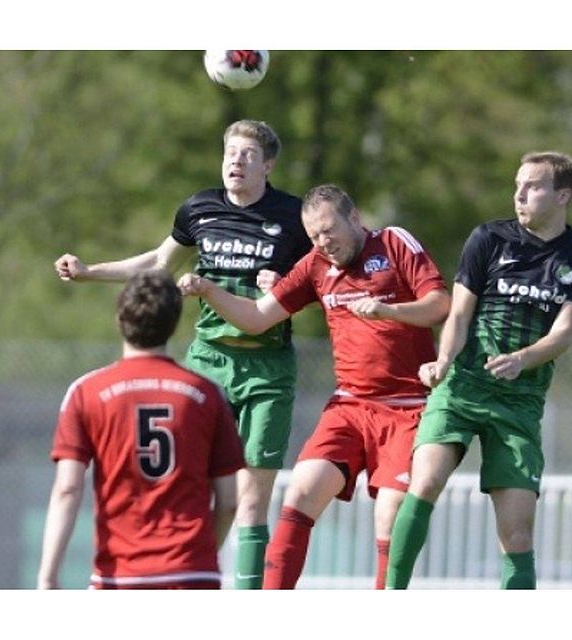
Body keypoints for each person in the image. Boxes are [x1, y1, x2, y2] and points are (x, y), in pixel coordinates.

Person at [53, 120, 312, 588]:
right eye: (230, 152)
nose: (236, 160)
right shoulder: (200, 208)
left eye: (248, 154)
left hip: (269, 368)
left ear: (268, 165)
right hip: (208, 364)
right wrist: (90, 271)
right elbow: (157, 262)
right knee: (189, 481)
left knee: (252, 498)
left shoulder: (294, 216)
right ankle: (180, 578)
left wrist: (290, 285)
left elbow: (325, 272)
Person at [179, 184, 450, 588]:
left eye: (329, 230)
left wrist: (387, 310)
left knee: (389, 515)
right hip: (350, 406)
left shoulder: (393, 243)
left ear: (353, 217)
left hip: (407, 407)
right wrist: (208, 290)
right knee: (301, 492)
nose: (324, 242)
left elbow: (440, 304)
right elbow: (256, 319)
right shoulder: (316, 265)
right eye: (314, 236)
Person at [385, 151, 572, 589]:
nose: (519, 194)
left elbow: (564, 334)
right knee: (425, 481)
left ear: (563, 195)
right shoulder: (489, 238)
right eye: (517, 184)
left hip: (519, 402)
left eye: (533, 186)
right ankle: (392, 598)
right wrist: (444, 360)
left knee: (517, 533)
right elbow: (460, 316)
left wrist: (523, 359)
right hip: (463, 386)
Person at [37, 270, 245, 589]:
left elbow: (67, 489)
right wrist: (197, 556)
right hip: (192, 573)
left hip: (119, 578)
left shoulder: (86, 393)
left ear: (120, 319)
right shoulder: (207, 395)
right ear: (173, 323)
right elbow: (230, 501)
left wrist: (48, 577)